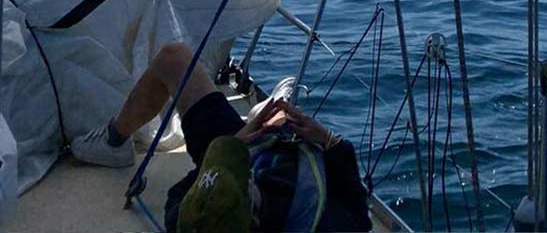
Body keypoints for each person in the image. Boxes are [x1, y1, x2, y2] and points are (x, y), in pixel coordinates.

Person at [70, 42, 371, 233]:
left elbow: (184, 192)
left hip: (242, 149)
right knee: (275, 115)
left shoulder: (188, 220)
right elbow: (358, 211)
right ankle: (269, 114)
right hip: (283, 160)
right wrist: (329, 140)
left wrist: (235, 144)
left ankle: (113, 141)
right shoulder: (323, 223)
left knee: (173, 59)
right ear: (253, 218)